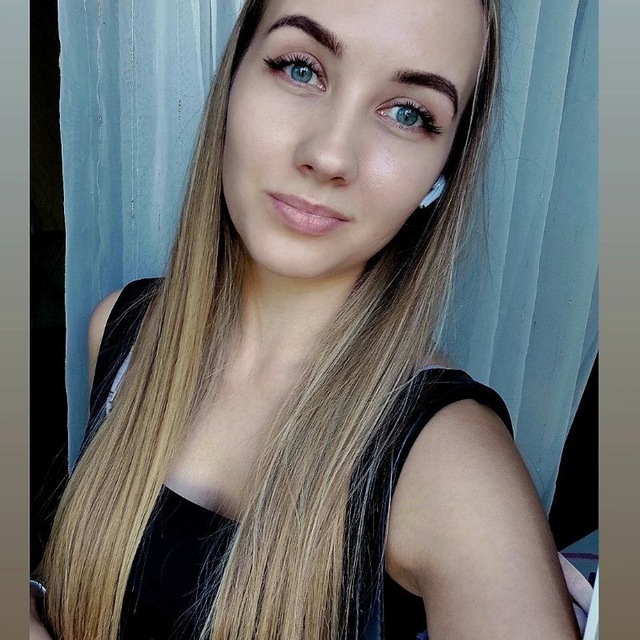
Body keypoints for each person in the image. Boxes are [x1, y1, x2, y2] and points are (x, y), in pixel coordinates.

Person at [31, 0, 585, 638]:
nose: (329, 155)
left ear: (441, 174)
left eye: (409, 113)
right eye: (301, 68)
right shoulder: (126, 333)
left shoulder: (451, 461)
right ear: (233, 81)